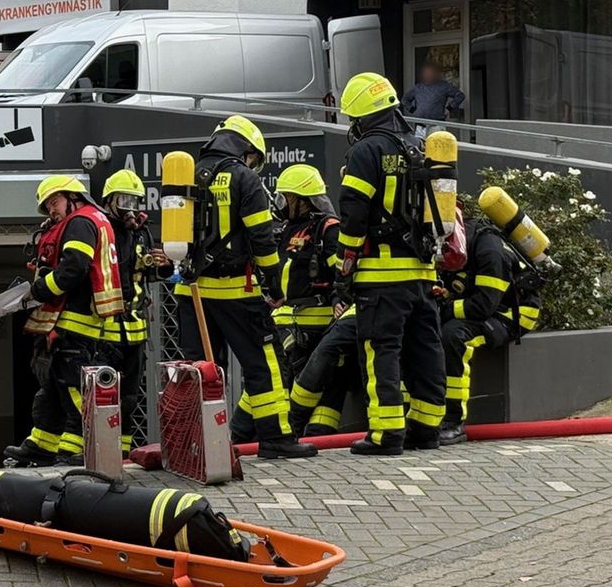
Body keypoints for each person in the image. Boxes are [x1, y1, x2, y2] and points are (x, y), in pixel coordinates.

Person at [175, 116, 315, 459]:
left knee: (199, 368)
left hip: (190, 291)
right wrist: (274, 285)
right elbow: (262, 240)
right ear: (247, 149)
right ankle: (276, 438)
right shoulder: (243, 177)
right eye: (254, 156)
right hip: (236, 290)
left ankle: (197, 444)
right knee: (263, 363)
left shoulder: (185, 174)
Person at [336, 72, 448, 455]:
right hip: (422, 272)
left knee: (381, 350)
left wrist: (344, 265)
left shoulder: (366, 151)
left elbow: (353, 215)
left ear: (362, 116)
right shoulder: (418, 147)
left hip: (381, 276)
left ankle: (386, 435)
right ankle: (426, 429)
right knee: (425, 349)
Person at [3, 176, 124, 466]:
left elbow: (73, 269)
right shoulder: (93, 219)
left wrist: (39, 290)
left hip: (75, 319)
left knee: (73, 385)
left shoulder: (80, 222)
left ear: (73, 196)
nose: (51, 210)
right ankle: (43, 443)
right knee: (55, 385)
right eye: (47, 206)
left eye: (54, 202)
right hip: (78, 319)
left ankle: (93, 446)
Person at [438, 210, 543, 444]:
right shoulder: (449, 243)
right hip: (477, 305)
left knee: (452, 336)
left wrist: (442, 310)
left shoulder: (490, 251)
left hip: (510, 314)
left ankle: (453, 421)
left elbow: (483, 306)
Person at [269, 163, 356, 438]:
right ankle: (286, 432)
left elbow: (340, 273)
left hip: (318, 322)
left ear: (301, 200)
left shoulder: (328, 230)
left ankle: (316, 435)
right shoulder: (285, 230)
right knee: (285, 378)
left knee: (329, 378)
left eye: (285, 197)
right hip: (285, 320)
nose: (281, 202)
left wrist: (338, 297)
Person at [99, 168, 171, 453]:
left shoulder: (141, 233)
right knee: (103, 396)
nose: (131, 208)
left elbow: (147, 275)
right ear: (109, 200)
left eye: (135, 201)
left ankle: (123, 453)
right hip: (104, 331)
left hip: (135, 330)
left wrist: (162, 265)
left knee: (129, 397)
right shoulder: (100, 230)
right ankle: (99, 450)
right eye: (125, 200)